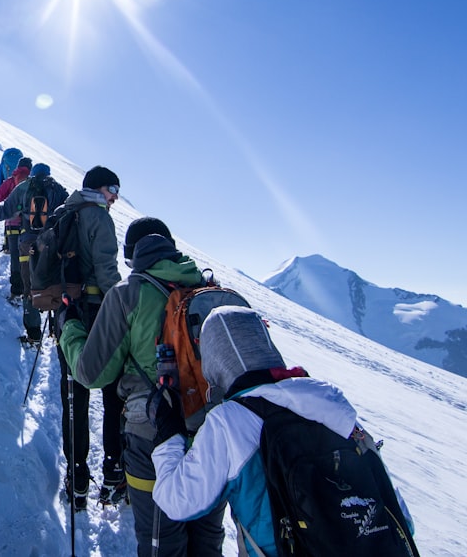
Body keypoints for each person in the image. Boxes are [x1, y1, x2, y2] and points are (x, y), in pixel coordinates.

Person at [150, 305, 418, 556]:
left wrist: (167, 435)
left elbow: (178, 500)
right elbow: (398, 514)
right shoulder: (331, 402)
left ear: (215, 359)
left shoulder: (229, 422)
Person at [59, 216, 225, 552]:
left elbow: (92, 373)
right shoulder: (210, 290)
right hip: (213, 437)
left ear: (132, 257)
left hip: (151, 437)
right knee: (207, 543)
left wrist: (70, 329)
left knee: (160, 542)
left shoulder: (129, 294)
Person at [51, 166, 125, 511]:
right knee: (113, 392)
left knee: (74, 397)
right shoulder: (98, 217)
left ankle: (76, 476)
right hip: (98, 311)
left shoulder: (65, 212)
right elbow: (107, 269)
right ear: (99, 188)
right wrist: (124, 309)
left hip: (66, 311)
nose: (115, 198)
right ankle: (113, 470)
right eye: (113, 189)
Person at [0, 162, 67, 343]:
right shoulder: (58, 189)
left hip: (28, 243)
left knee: (29, 285)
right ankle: (59, 333)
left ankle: (34, 334)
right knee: (55, 283)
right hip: (52, 244)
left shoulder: (24, 187)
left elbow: (3, 213)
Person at [0, 156, 31, 300]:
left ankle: (15, 291)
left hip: (11, 225)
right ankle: (28, 291)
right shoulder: (31, 183)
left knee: (15, 258)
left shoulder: (11, 181)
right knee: (26, 258)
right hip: (27, 226)